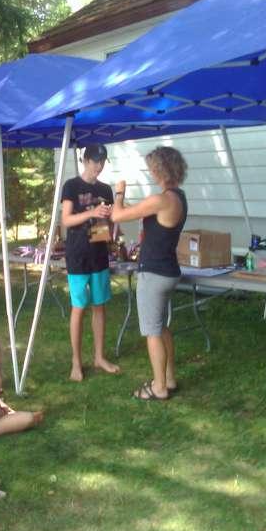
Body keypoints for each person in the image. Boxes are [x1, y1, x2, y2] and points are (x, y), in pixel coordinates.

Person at [111, 146, 188, 401]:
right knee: (161, 328)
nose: (150, 172)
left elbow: (118, 215)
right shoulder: (177, 197)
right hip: (168, 270)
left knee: (152, 332)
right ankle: (169, 379)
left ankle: (159, 387)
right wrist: (126, 206)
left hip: (154, 274)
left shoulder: (161, 199)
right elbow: (142, 212)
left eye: (152, 168)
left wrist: (119, 193)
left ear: (159, 170)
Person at [61, 143, 119, 381]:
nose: (99, 166)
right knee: (79, 307)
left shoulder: (105, 189)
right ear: (85, 161)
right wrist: (92, 213)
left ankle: (99, 357)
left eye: (102, 161)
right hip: (78, 254)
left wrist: (112, 228)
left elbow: (111, 220)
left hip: (99, 253)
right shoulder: (72, 186)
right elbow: (66, 220)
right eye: (95, 161)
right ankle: (76, 362)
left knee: (99, 305)